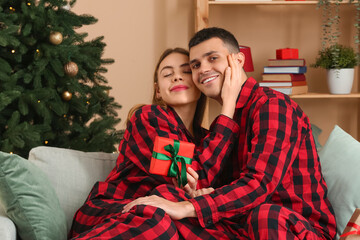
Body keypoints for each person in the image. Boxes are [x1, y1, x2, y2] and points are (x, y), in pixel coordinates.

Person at [122, 27, 337, 239]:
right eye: (195, 65)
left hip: (299, 228)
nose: (203, 69)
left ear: (239, 61)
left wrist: (188, 206)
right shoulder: (222, 125)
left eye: (213, 58)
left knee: (264, 215)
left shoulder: (272, 106)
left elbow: (260, 184)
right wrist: (202, 193)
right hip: (244, 226)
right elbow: (197, 179)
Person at [69, 47, 243, 239]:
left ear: (199, 83)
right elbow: (196, 178)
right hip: (113, 213)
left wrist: (200, 197)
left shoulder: (208, 139)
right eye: (168, 74)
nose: (177, 77)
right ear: (158, 91)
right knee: (165, 201)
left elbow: (206, 194)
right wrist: (228, 106)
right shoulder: (148, 118)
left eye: (186, 72)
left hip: (166, 220)